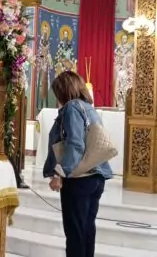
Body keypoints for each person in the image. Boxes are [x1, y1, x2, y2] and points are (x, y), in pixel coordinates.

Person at [43, 71, 113, 257]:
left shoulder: (72, 108)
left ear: (63, 91)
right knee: (87, 230)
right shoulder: (88, 107)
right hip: (96, 177)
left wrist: (60, 173)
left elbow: (75, 144)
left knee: (75, 234)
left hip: (79, 179)